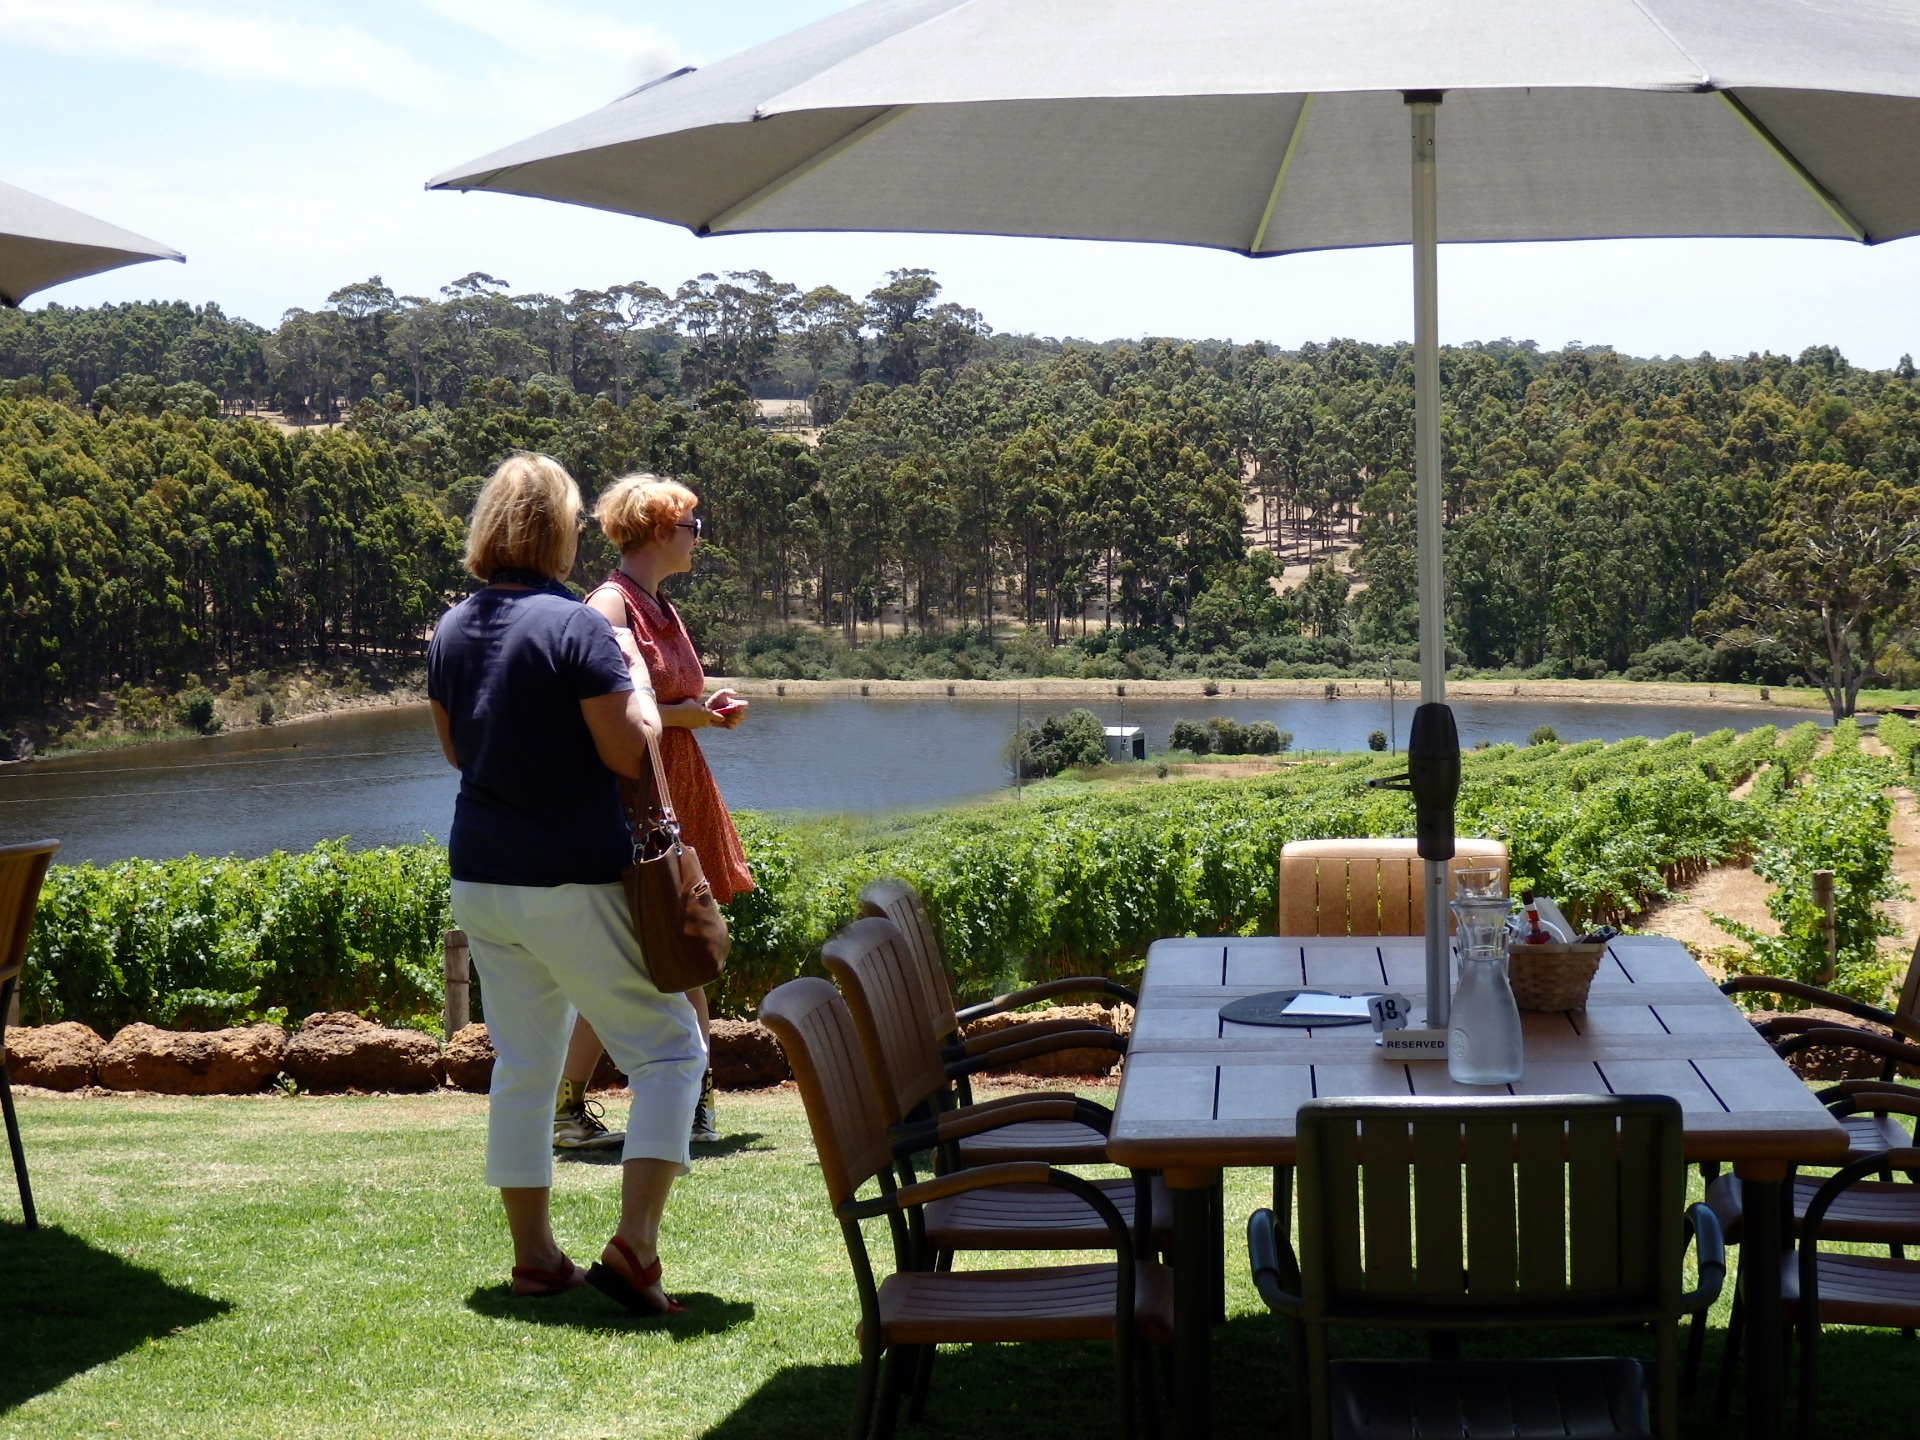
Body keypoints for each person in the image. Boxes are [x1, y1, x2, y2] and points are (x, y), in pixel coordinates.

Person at [427, 451, 704, 1315]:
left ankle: (537, 1258)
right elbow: (631, 749)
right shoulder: (580, 627)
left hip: (481, 874)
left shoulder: (451, 630)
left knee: (525, 1063)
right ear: (557, 531)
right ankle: (635, 1248)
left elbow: (453, 751)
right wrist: (641, 689)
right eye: (578, 518)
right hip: (571, 877)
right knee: (670, 1049)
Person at [551, 472, 753, 1151]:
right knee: (672, 948)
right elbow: (599, 713)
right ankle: (690, 1102)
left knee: (671, 947)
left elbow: (659, 699)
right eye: (694, 527)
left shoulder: (657, 603)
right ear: (663, 531)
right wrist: (682, 715)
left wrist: (700, 711)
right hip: (641, 797)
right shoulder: (609, 607)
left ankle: (587, 1105)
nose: (701, 539)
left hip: (678, 783)